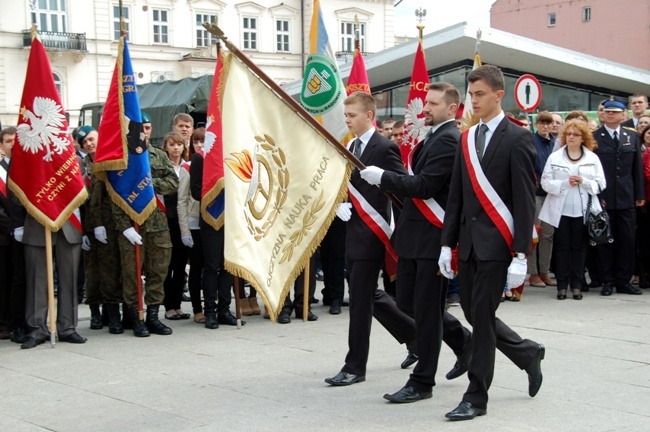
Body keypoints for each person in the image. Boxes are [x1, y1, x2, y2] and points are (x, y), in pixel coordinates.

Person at [439, 65, 545, 421]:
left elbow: (525, 200)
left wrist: (520, 255)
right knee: (472, 311)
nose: (474, 100)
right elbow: (457, 195)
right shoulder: (467, 138)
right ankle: (527, 353)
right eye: (471, 94)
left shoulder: (517, 138)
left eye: (480, 94)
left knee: (481, 319)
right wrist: (446, 243)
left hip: (498, 245)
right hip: (467, 245)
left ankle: (476, 396)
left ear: (499, 94)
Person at [361, 83, 473, 403]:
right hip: (413, 236)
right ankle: (463, 340)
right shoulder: (433, 136)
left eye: (434, 104)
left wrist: (383, 177)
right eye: (426, 102)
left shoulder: (449, 140)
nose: (426, 108)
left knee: (425, 312)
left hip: (432, 238)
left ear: (452, 109)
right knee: (409, 305)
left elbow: (424, 186)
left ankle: (422, 382)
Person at [324, 92, 417, 386]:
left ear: (368, 116)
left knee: (361, 302)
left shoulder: (385, 146)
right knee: (367, 294)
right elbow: (347, 183)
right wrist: (341, 201)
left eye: (352, 115)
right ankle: (414, 336)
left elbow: (401, 185)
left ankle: (355, 367)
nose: (347, 120)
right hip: (355, 229)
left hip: (374, 232)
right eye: (346, 115)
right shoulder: (352, 145)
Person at [115, 135, 178, 337]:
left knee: (158, 272)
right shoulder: (121, 157)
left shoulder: (158, 155)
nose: (144, 132)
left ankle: (152, 316)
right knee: (132, 273)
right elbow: (115, 194)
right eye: (140, 128)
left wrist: (149, 183)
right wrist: (125, 227)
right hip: (133, 226)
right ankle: (136, 318)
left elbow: (173, 182)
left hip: (157, 224)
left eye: (147, 128)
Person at [539, 120, 606, 300]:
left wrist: (583, 181)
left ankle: (576, 285)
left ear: (583, 138)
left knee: (579, 247)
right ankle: (562, 286)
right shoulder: (555, 157)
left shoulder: (592, 158)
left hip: (583, 211)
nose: (571, 137)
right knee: (561, 247)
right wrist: (563, 183)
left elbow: (601, 184)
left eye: (576, 134)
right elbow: (545, 183)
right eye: (568, 134)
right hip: (560, 210)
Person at [592, 98, 645, 296]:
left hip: (626, 197)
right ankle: (607, 280)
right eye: (608, 112)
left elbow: (636, 169)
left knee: (627, 240)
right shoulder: (595, 136)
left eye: (615, 112)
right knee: (605, 241)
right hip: (604, 197)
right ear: (603, 114)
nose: (611, 115)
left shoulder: (631, 137)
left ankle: (623, 280)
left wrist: (639, 194)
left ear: (624, 115)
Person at [161, 132, 191, 320]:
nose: (176, 148)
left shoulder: (187, 166)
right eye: (172, 144)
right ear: (166, 147)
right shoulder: (163, 168)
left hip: (184, 221)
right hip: (168, 219)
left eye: (179, 144)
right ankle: (168, 306)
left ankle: (177, 305)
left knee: (180, 265)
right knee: (168, 265)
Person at [178, 127, 206, 323]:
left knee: (213, 267)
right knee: (196, 268)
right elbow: (181, 201)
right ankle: (198, 309)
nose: (199, 145)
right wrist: (185, 230)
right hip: (194, 223)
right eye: (195, 142)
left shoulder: (212, 164)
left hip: (213, 222)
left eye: (202, 142)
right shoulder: (187, 167)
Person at [528, 112, 557, 288]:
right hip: (536, 193)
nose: (545, 126)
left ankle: (545, 271)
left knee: (548, 234)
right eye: (542, 123)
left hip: (552, 194)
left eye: (548, 123)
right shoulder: (531, 141)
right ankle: (533, 273)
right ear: (536, 124)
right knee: (534, 235)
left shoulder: (556, 143)